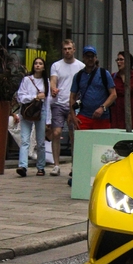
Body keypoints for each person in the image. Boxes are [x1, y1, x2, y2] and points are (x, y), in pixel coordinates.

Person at [49, 39, 84, 176]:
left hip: (74, 105)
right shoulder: (56, 65)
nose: (67, 51)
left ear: (74, 50)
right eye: (65, 49)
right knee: (56, 133)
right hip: (59, 103)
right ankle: (56, 165)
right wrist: (53, 89)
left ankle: (74, 165)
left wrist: (77, 104)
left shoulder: (80, 66)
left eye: (69, 48)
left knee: (73, 135)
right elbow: (53, 80)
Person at [13, 57, 50, 177]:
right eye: (36, 63)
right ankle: (23, 166)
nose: (38, 65)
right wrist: (35, 97)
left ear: (44, 67)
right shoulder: (27, 80)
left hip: (41, 111)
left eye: (40, 64)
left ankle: (40, 166)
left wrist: (48, 119)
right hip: (27, 111)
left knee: (40, 142)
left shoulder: (46, 82)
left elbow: (48, 101)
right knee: (25, 140)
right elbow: (21, 96)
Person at [68, 46, 117, 131]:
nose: (90, 59)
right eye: (87, 56)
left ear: (96, 58)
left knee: (101, 143)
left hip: (102, 118)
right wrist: (73, 116)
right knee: (83, 143)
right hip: (84, 116)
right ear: (83, 57)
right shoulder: (78, 76)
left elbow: (113, 94)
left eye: (92, 56)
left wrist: (102, 107)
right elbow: (72, 97)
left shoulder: (104, 73)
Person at [110, 51, 133, 130]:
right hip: (117, 112)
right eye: (117, 60)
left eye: (121, 60)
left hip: (132, 112)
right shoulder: (113, 77)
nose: (119, 62)